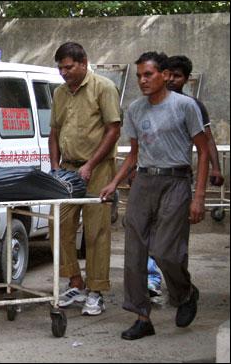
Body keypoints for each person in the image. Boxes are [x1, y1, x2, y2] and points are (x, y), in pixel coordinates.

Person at [100, 51, 209, 340]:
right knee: (134, 252)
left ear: (163, 74)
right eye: (138, 76)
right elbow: (134, 154)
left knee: (164, 250)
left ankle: (185, 293)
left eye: (148, 74)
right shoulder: (135, 109)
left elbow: (204, 150)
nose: (142, 80)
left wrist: (198, 197)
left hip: (176, 181)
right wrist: (114, 183)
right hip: (144, 181)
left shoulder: (185, 106)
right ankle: (142, 317)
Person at [49, 42, 121, 315]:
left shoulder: (103, 87)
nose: (64, 73)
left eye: (68, 67)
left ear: (83, 63)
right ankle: (76, 283)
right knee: (61, 226)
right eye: (60, 68)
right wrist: (55, 168)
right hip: (67, 170)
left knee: (96, 232)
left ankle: (96, 290)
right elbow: (54, 132)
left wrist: (91, 164)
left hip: (98, 169)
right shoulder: (59, 93)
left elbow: (113, 130)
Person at [146, 54, 224, 300]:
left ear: (186, 79)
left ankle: (180, 286)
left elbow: (206, 140)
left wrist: (215, 168)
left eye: (177, 76)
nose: (171, 80)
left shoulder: (191, 106)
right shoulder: (150, 103)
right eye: (168, 74)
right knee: (150, 232)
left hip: (178, 179)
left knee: (175, 237)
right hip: (150, 179)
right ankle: (153, 279)